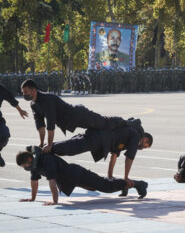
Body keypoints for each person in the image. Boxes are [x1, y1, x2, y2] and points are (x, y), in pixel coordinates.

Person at [21, 79, 141, 154]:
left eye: (26, 92)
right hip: (71, 122)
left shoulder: (47, 100)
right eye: (23, 93)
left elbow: (50, 126)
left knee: (105, 123)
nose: (24, 95)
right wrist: (41, 143)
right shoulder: (34, 104)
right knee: (102, 129)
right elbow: (40, 126)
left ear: (34, 90)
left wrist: (50, 144)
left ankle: (129, 123)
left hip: (79, 115)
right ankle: (125, 124)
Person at [17, 146, 148, 206]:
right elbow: (34, 181)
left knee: (106, 187)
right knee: (94, 188)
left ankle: (137, 184)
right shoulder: (34, 164)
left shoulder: (45, 160)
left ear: (29, 158)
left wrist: (54, 201)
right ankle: (124, 185)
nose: (25, 168)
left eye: (24, 165)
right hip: (71, 179)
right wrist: (32, 198)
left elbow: (52, 181)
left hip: (77, 174)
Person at [50, 126, 153, 196]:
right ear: (145, 139)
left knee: (72, 147)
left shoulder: (126, 137)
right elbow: (129, 158)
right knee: (72, 148)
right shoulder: (135, 136)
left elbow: (114, 155)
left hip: (99, 141)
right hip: (97, 139)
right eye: (145, 146)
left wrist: (110, 175)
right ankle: (49, 147)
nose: (143, 148)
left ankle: (131, 185)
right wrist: (126, 177)